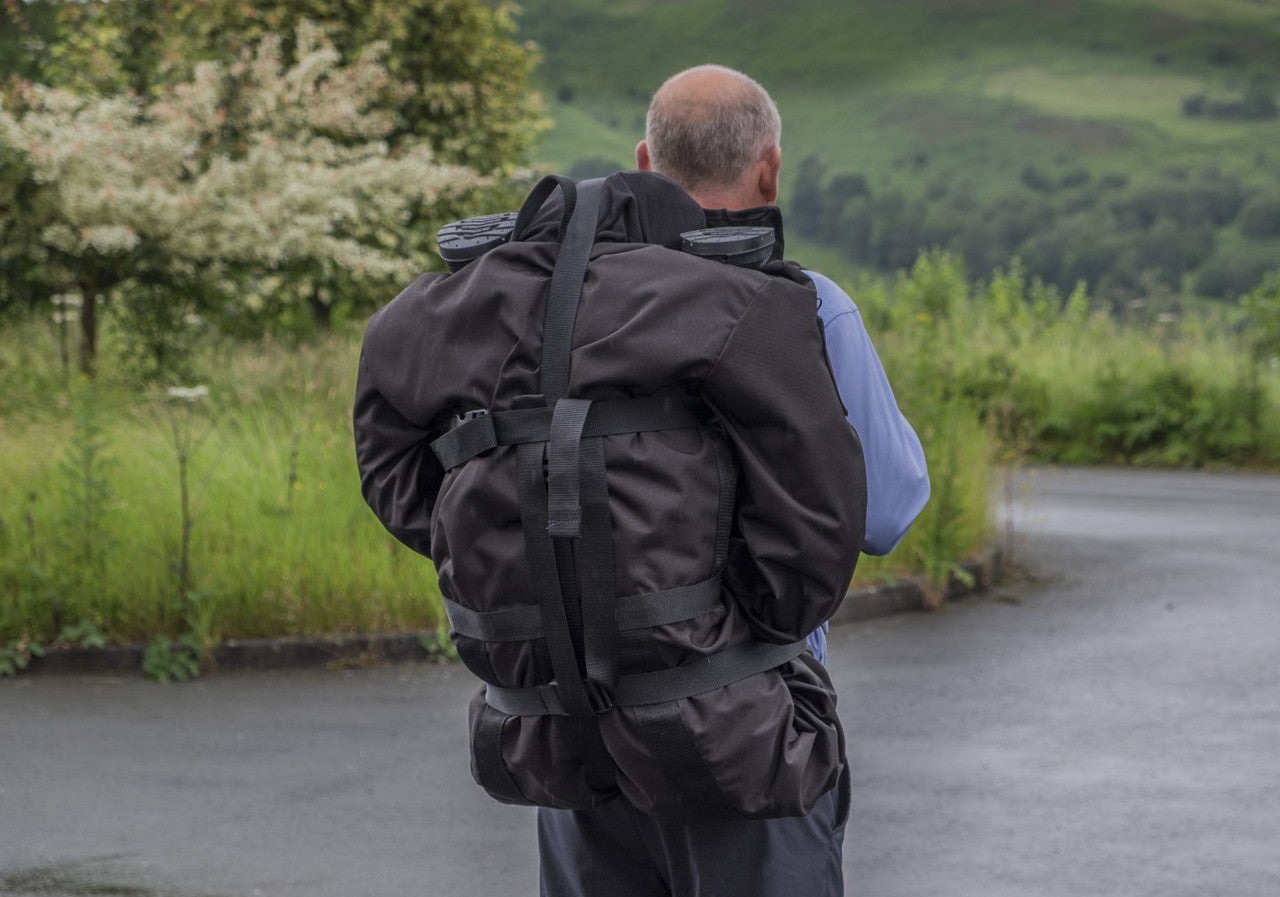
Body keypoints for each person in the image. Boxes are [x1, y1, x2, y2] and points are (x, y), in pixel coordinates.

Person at [536, 65, 930, 897]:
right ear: (770, 169)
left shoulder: (559, 309)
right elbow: (888, 511)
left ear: (644, 159)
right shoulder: (806, 305)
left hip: (578, 728)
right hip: (749, 731)